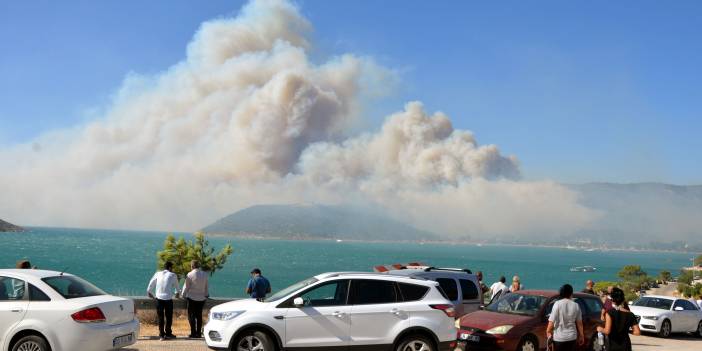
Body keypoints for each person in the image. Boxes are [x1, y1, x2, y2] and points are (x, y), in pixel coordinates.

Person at [147, 261, 180, 341]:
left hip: (158, 299)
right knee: (169, 317)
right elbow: (177, 288)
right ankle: (168, 333)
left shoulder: (158, 273)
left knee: (160, 317)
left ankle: (161, 335)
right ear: (169, 267)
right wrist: (177, 294)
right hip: (168, 299)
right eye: (172, 268)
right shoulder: (173, 275)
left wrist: (150, 293)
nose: (172, 269)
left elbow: (150, 285)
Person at [546, 284, 584, 351]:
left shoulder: (557, 304)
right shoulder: (576, 305)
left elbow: (552, 321)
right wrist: (581, 335)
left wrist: (548, 331)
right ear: (571, 293)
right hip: (572, 337)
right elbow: (579, 323)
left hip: (559, 338)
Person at [182, 260, 209, 339]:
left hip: (191, 298)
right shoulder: (204, 274)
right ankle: (199, 333)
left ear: (192, 266)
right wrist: (206, 295)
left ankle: (193, 333)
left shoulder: (190, 274)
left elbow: (186, 287)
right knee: (199, 316)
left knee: (191, 316)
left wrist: (183, 295)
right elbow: (206, 286)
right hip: (201, 298)